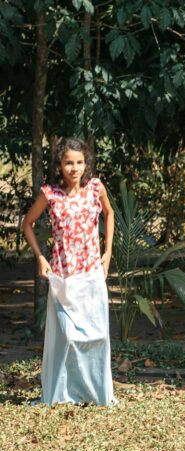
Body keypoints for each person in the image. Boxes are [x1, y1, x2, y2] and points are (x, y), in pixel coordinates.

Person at [22, 137, 116, 406]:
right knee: (66, 336)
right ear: (60, 165)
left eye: (79, 162)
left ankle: (95, 394)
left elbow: (109, 214)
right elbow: (28, 223)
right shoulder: (50, 194)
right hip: (63, 276)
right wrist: (40, 257)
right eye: (68, 163)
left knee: (96, 337)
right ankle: (62, 392)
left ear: (86, 164)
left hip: (92, 273)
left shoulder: (96, 188)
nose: (74, 168)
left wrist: (108, 252)